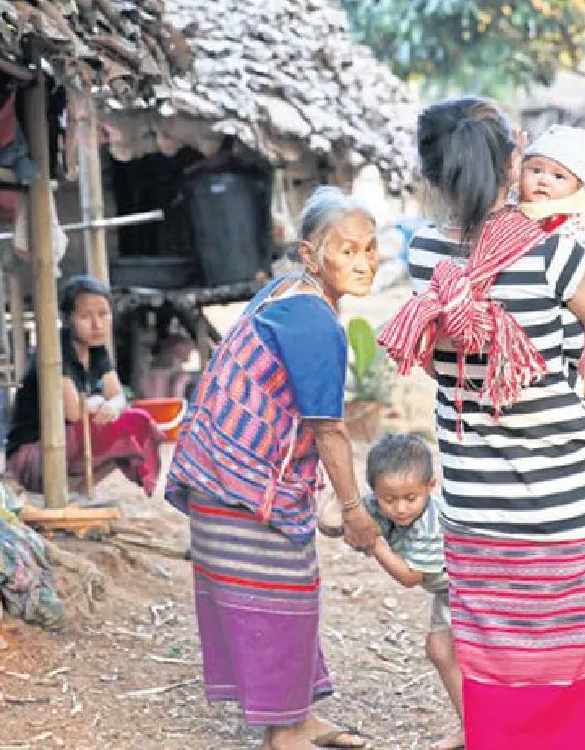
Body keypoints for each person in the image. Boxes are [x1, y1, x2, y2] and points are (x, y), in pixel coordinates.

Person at [378, 96, 585, 750]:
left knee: (500, 668)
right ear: (514, 160)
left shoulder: (424, 257)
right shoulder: (554, 256)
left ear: (433, 173)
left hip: (478, 513)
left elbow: (439, 365)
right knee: (584, 667)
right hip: (570, 506)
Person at [165, 186, 381, 750]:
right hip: (241, 490)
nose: (363, 263)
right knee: (281, 599)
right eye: (348, 251)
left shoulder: (285, 291)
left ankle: (298, 716)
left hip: (224, 479)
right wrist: (355, 511)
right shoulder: (312, 318)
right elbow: (328, 427)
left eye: (370, 250)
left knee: (296, 594)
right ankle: (284, 733)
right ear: (312, 256)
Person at [6, 276, 163, 496]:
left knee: (138, 422)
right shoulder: (55, 352)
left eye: (103, 314)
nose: (97, 324)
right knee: (118, 429)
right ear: (67, 319)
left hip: (69, 445)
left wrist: (113, 406)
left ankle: (76, 489)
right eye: (85, 316)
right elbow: (73, 411)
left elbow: (118, 396)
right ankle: (61, 490)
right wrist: (99, 402)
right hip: (33, 455)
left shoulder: (97, 350)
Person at [361, 434, 463, 750]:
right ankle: (471, 726)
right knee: (440, 651)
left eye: (410, 497)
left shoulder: (431, 523)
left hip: (469, 589)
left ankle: (491, 728)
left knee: (452, 651)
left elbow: (409, 576)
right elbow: (337, 515)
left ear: (430, 487)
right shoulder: (379, 505)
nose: (400, 509)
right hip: (446, 592)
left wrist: (374, 542)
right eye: (389, 500)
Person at [519, 124, 585, 271]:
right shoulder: (510, 206)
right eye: (536, 170)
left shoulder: (582, 219)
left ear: (577, 186)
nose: (543, 180)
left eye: (558, 176)